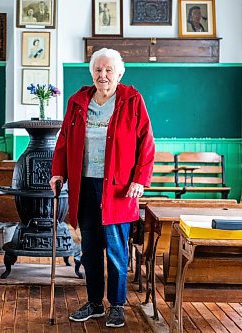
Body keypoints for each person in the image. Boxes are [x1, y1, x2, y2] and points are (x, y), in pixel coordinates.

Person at [50, 48, 155, 328]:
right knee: (91, 249)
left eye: (109, 70)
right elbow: (63, 141)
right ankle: (95, 303)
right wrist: (57, 172)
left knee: (117, 250)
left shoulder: (132, 100)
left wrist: (139, 179)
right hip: (84, 186)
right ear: (92, 73)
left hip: (119, 190)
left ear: (119, 74)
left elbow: (146, 142)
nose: (103, 75)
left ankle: (117, 305)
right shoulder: (77, 101)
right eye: (98, 69)